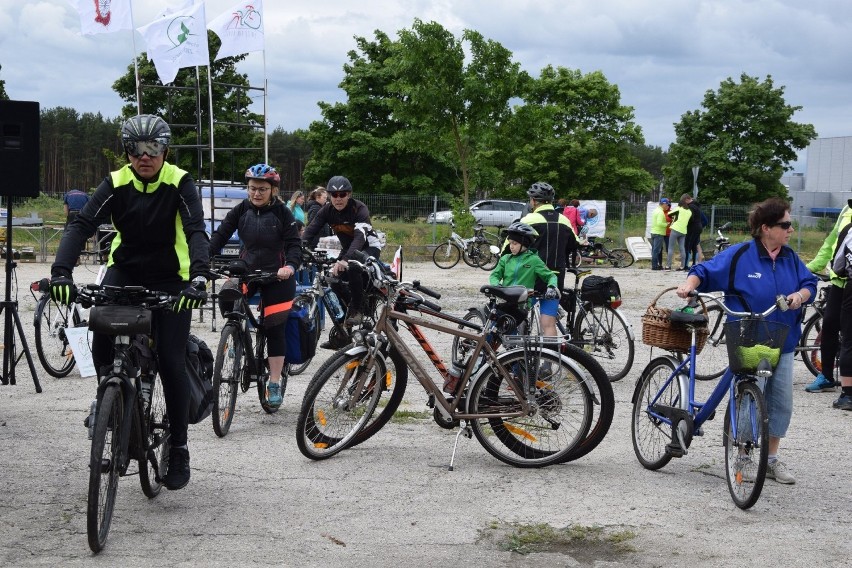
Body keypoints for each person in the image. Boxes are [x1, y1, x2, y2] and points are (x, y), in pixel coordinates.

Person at [49, 114, 210, 491]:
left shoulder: (179, 181)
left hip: (172, 278)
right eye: (136, 150)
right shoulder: (116, 182)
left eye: (152, 149)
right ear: (127, 153)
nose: (144, 157)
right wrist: (61, 273)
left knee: (170, 358)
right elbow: (81, 225)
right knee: (102, 338)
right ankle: (108, 402)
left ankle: (180, 446)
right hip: (125, 271)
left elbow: (196, 230)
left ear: (165, 150)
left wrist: (199, 277)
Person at [676, 197, 817, 484]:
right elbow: (703, 271)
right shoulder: (741, 255)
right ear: (766, 228)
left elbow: (809, 284)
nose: (791, 230)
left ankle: (771, 459)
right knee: (749, 398)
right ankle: (742, 455)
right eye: (785, 225)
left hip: (783, 341)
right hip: (748, 338)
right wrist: (688, 286)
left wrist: (799, 297)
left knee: (781, 402)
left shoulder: (790, 257)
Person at [208, 164, 302, 409]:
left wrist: (290, 266)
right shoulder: (241, 210)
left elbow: (294, 245)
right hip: (248, 270)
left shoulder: (283, 213)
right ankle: (236, 339)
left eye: (262, 189)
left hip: (277, 275)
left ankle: (273, 381)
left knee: (274, 327)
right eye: (252, 189)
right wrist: (204, 258)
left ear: (273, 190)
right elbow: (220, 235)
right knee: (227, 295)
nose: (256, 194)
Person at [302, 175, 384, 348]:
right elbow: (311, 230)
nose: (338, 198)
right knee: (333, 279)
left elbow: (360, 238)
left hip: (369, 247)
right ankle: (344, 330)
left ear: (349, 194)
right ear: (330, 196)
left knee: (353, 268)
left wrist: (345, 259)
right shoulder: (326, 210)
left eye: (342, 194)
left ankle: (359, 308)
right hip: (349, 248)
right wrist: (298, 248)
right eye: (334, 195)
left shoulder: (359, 208)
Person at [803, 199, 851, 394]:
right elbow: (831, 241)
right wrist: (811, 268)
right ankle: (827, 376)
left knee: (849, 334)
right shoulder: (846, 209)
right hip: (840, 280)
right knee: (829, 324)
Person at [516, 182, 575, 339]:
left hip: (530, 276)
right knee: (548, 323)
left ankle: (518, 355)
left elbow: (510, 246)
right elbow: (574, 244)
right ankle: (549, 361)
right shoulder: (564, 220)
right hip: (555, 277)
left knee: (519, 315)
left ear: (534, 201)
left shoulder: (528, 219)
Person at [666, 194, 693, 271]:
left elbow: (669, 214)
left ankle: (668, 266)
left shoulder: (678, 208)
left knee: (671, 248)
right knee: (682, 248)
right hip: (683, 231)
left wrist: (674, 218)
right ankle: (682, 266)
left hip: (675, 229)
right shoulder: (689, 211)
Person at [650, 198, 671, 270]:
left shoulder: (655, 210)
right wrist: (667, 224)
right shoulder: (660, 212)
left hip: (653, 232)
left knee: (654, 250)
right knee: (656, 250)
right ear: (664, 204)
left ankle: (654, 265)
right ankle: (655, 266)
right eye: (667, 204)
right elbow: (659, 223)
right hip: (659, 233)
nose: (667, 206)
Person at [684, 198, 705, 267]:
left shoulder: (691, 207)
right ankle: (695, 263)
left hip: (693, 229)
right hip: (698, 228)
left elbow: (691, 218)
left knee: (688, 246)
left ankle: (686, 265)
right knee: (695, 246)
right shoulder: (697, 207)